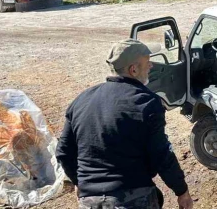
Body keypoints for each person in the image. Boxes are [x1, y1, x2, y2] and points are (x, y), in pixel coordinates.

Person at [57, 40, 193, 209]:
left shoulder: (82, 100)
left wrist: (82, 184)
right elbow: (161, 155)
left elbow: (63, 152)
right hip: (133, 198)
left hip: (90, 201)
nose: (151, 66)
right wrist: (182, 191)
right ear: (133, 69)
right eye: (147, 62)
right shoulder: (145, 102)